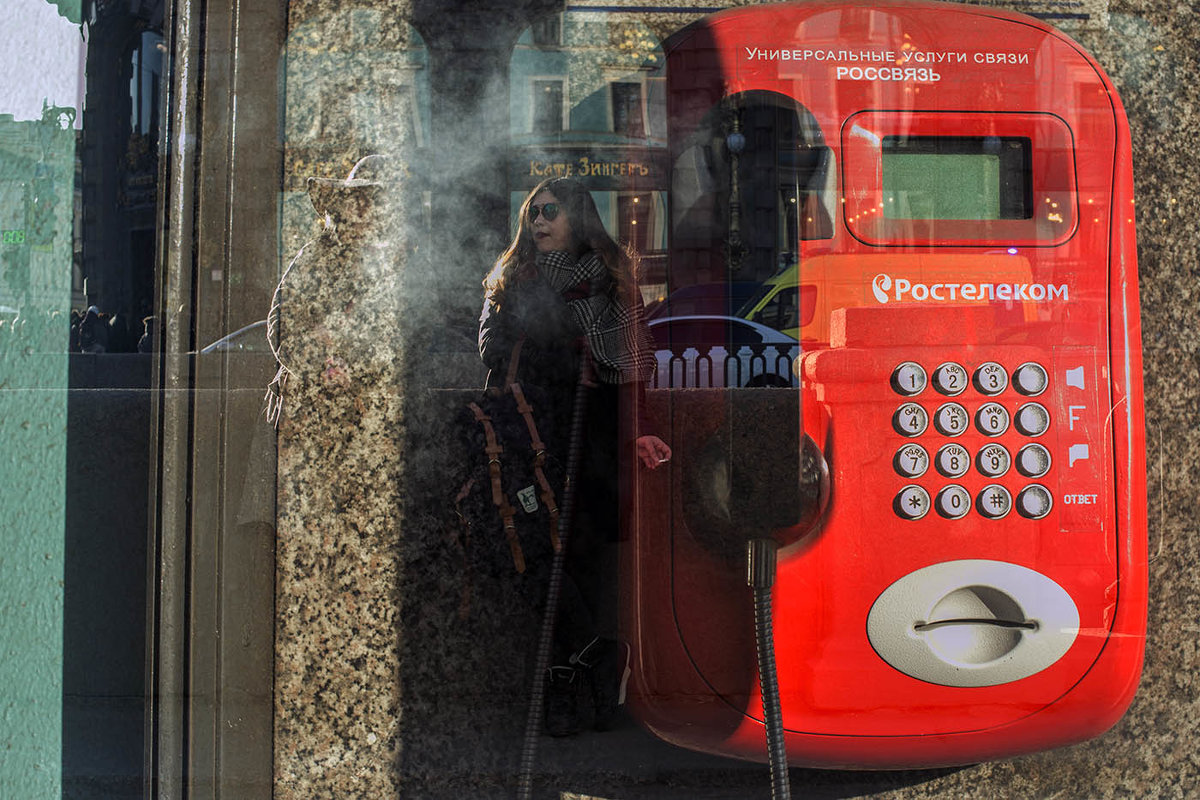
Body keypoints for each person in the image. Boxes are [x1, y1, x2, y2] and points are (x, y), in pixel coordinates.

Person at [478, 176, 671, 736]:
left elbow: (634, 369)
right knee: (540, 557)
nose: (537, 221)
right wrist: (560, 336)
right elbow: (491, 348)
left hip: (596, 436)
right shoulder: (512, 277)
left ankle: (578, 693)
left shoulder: (612, 282)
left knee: (584, 558)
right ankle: (594, 658)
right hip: (531, 430)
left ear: (577, 218)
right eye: (532, 212)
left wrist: (640, 431)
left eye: (550, 211)